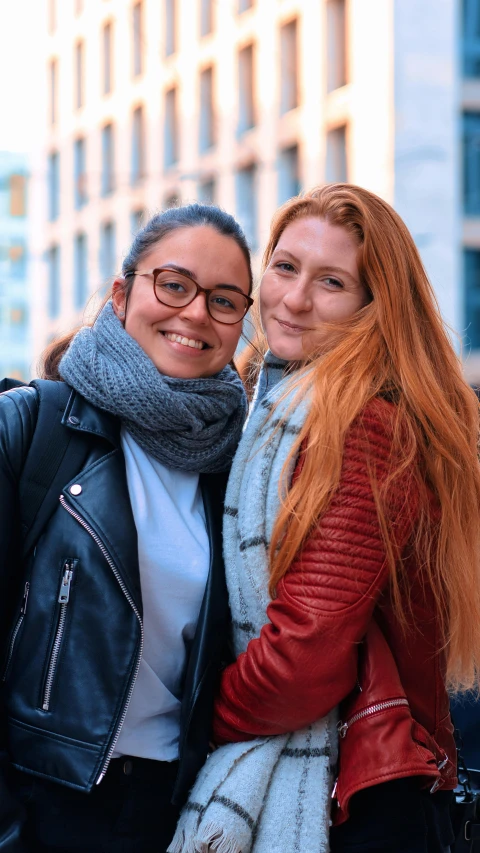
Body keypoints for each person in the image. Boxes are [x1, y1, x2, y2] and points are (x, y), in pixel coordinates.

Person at [208, 184, 480, 853]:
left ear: (372, 306)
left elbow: (306, 654)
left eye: (331, 281)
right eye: (285, 267)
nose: (294, 299)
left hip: (357, 798)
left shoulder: (363, 422)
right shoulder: (268, 402)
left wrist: (196, 725)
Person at [0, 203, 253, 853]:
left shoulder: (239, 468)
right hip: (41, 800)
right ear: (121, 294)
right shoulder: (34, 428)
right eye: (174, 284)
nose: (195, 312)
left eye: (224, 301)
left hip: (171, 809)